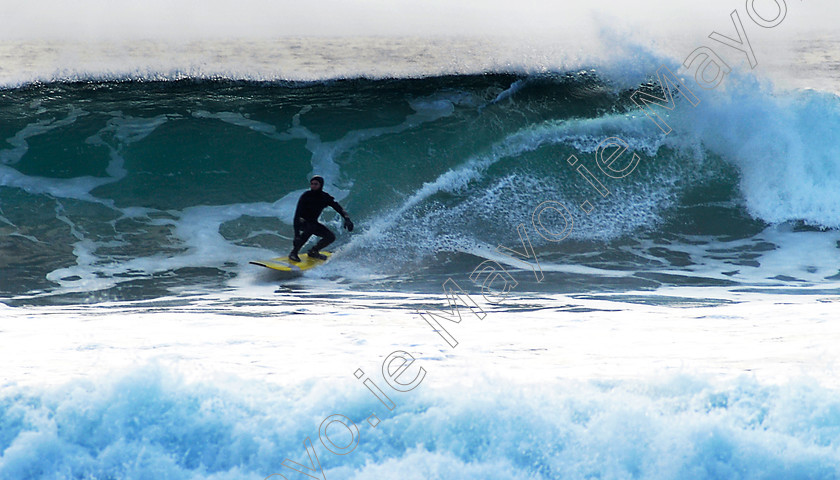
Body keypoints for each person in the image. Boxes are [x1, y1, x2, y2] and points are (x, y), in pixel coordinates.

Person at [289, 175, 353, 262]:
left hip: (313, 223)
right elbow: (297, 215)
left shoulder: (324, 197)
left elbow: (338, 207)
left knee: (330, 237)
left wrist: (347, 219)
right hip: (302, 222)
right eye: (312, 184)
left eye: (316, 184)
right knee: (310, 228)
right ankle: (294, 253)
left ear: (321, 185)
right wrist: (296, 235)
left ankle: (313, 251)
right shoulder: (306, 196)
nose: (313, 186)